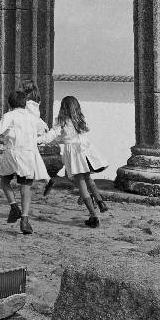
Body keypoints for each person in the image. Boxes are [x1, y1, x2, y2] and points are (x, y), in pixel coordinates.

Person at [0, 90, 49, 235]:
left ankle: (13, 206)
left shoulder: (9, 115)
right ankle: (24, 219)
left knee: (4, 182)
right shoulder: (32, 117)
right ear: (25, 103)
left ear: (9, 103)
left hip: (12, 153)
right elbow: (44, 128)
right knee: (25, 189)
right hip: (28, 155)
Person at [38, 95, 108, 227]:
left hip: (74, 154)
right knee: (88, 179)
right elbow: (68, 137)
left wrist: (39, 140)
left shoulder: (62, 121)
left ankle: (93, 216)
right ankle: (100, 201)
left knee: (80, 182)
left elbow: (52, 135)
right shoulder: (79, 119)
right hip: (84, 150)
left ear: (63, 108)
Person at [18, 79, 58, 196]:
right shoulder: (34, 103)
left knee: (31, 157)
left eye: (20, 86)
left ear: (26, 89)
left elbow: (32, 119)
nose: (18, 88)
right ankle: (47, 180)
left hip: (29, 133)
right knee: (36, 158)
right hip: (32, 132)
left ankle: (29, 179)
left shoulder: (28, 104)